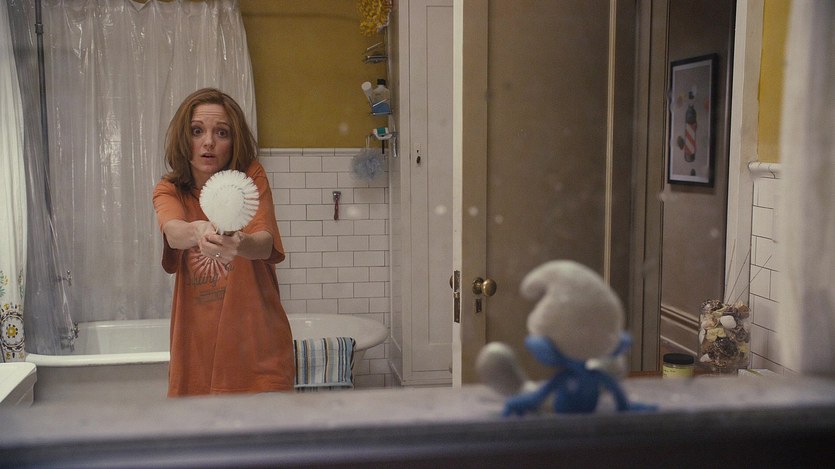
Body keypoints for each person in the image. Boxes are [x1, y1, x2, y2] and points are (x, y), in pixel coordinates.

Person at [152, 88, 295, 396]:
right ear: (183, 138)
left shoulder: (250, 177)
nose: (208, 142)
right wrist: (198, 232)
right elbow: (173, 231)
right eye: (197, 131)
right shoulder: (169, 188)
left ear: (234, 141)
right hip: (196, 354)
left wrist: (240, 242)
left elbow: (264, 242)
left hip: (258, 347)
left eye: (221, 132)